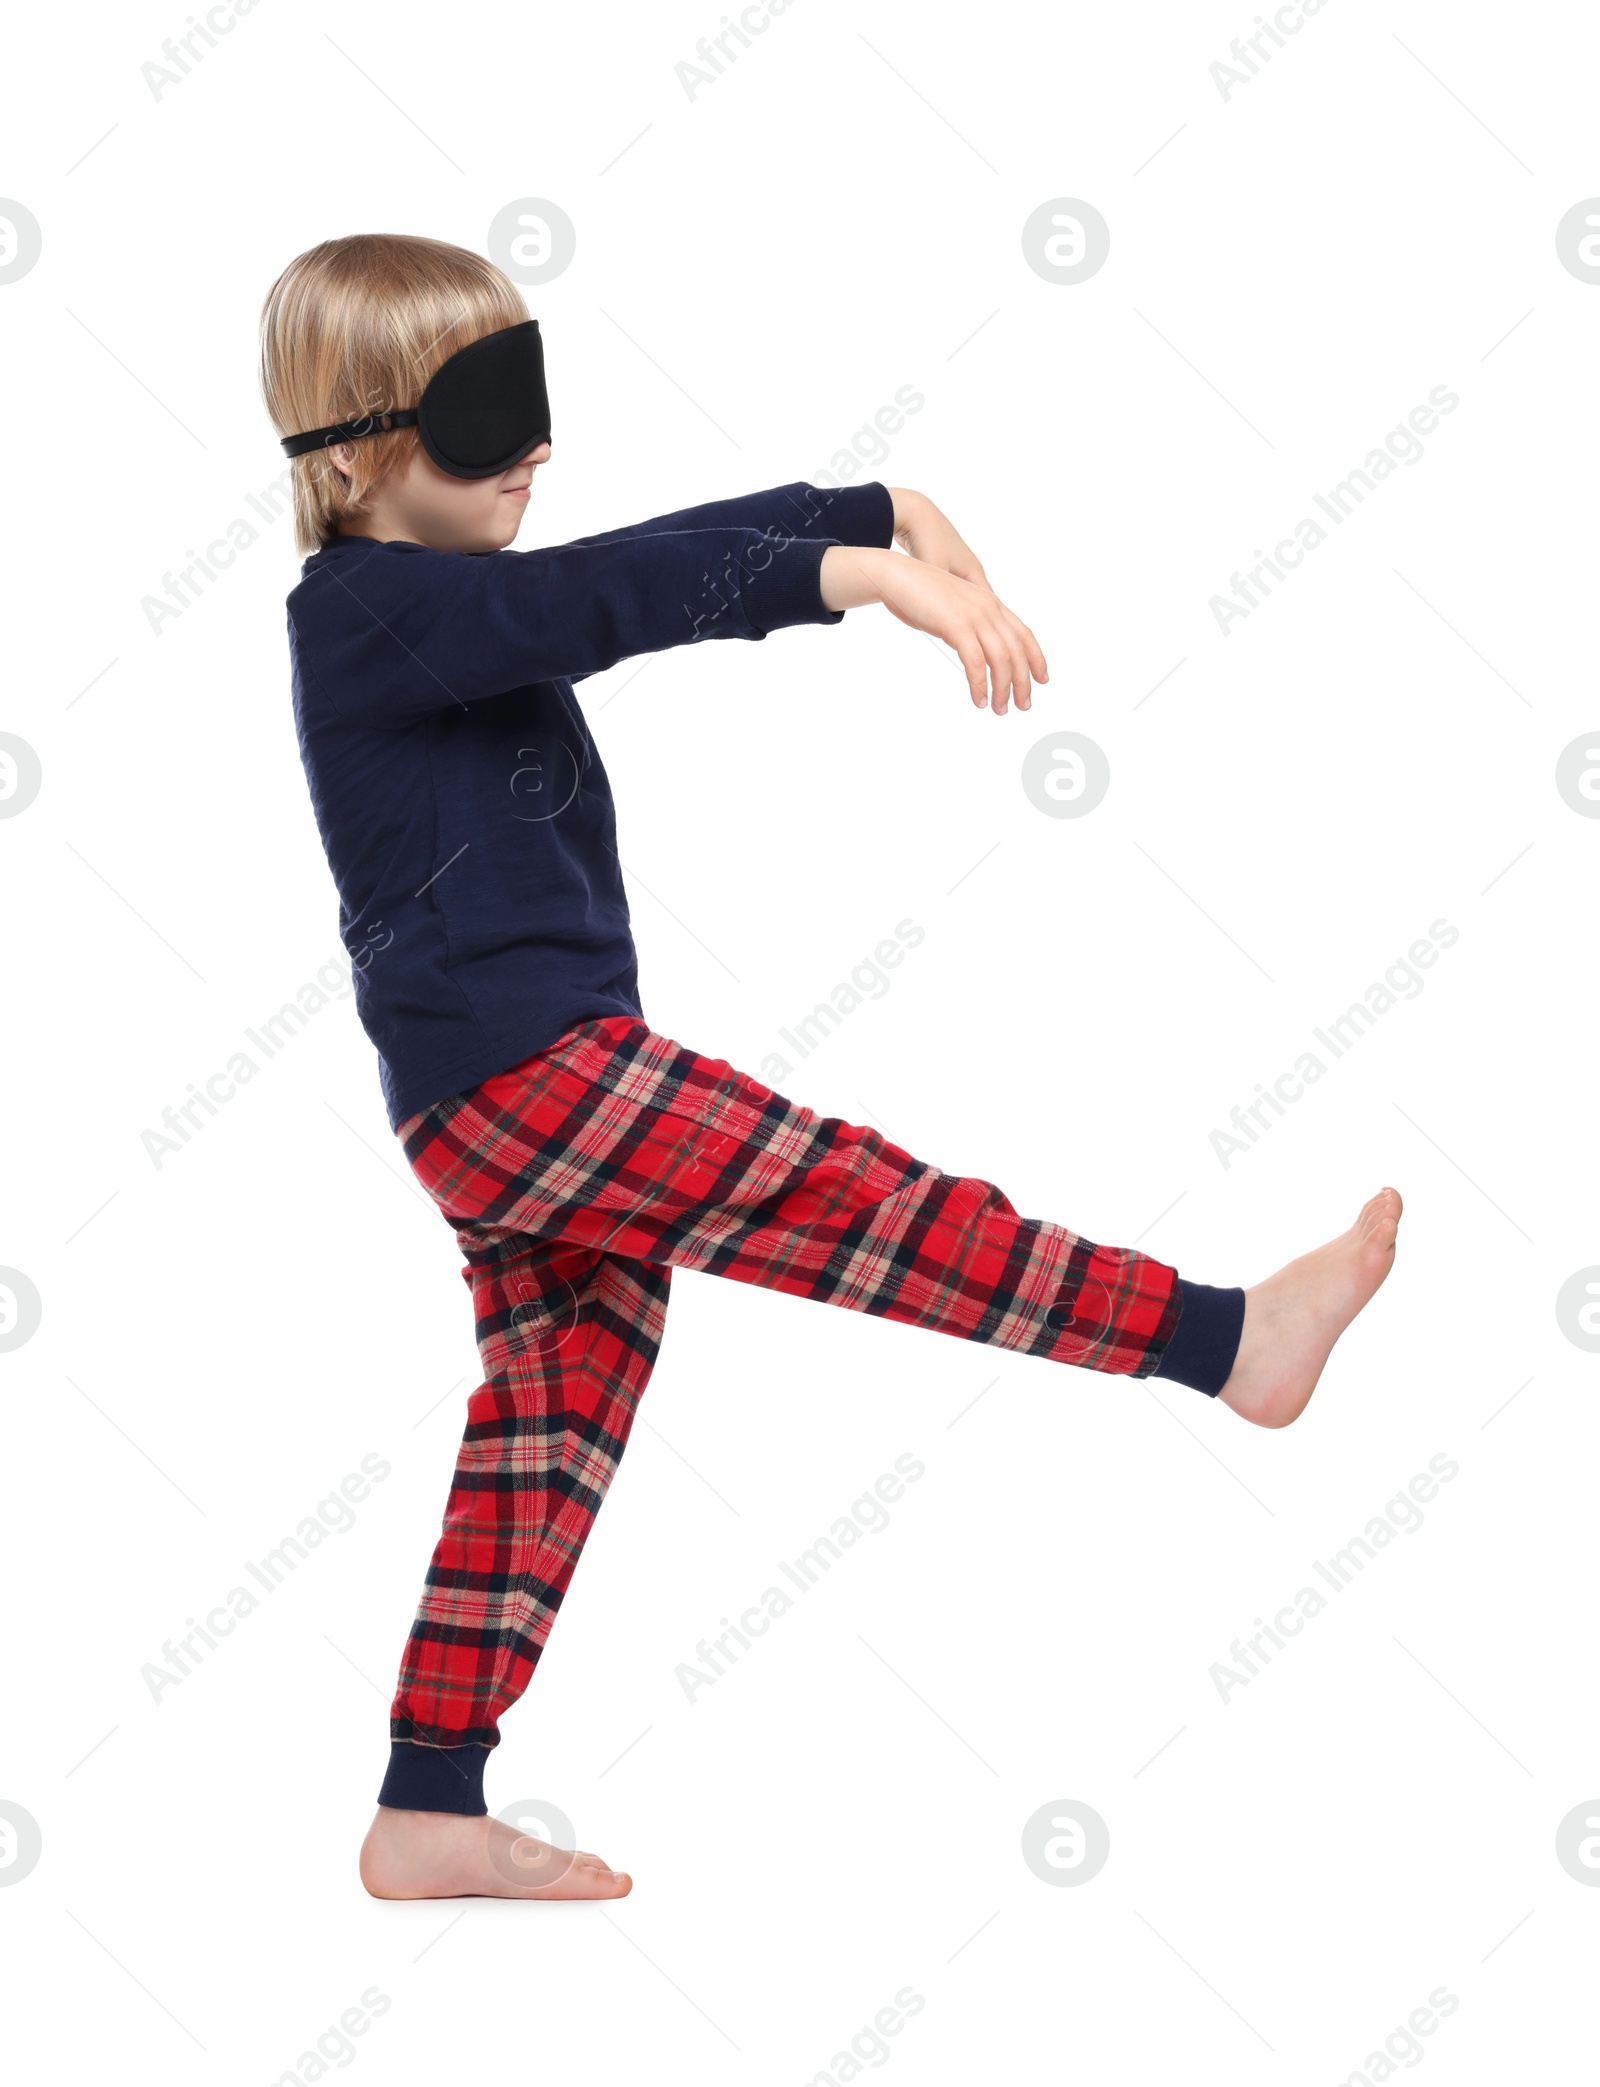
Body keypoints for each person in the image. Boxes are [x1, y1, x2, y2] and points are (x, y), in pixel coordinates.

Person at [259, 232, 1401, 1902]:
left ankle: (427, 1800)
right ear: (356, 448)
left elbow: (629, 556)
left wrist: (860, 509)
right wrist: (856, 580)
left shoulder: (428, 607)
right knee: (855, 1199)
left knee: (556, 1406)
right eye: (481, 414)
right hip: (537, 1083)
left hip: (497, 1103)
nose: (535, 446)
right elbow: (596, 601)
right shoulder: (369, 612)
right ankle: (1224, 1342)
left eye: (532, 401)